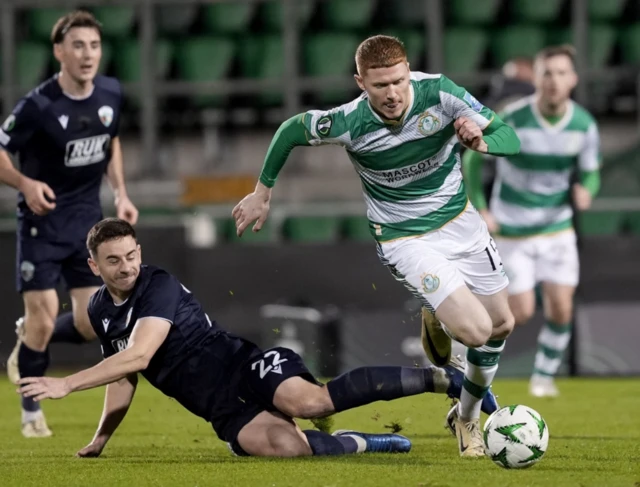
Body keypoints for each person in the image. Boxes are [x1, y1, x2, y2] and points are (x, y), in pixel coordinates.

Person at [231, 35, 520, 457]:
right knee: (474, 330)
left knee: (502, 325)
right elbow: (291, 129)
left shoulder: (441, 93)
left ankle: (465, 416)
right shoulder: (348, 121)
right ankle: (443, 325)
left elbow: (510, 137)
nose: (392, 94)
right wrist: (263, 192)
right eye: (380, 85)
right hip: (404, 237)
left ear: (409, 73)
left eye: (399, 81)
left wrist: (482, 141)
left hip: (462, 225)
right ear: (360, 82)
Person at [18, 218, 496, 458]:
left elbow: (140, 353)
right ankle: (367, 443)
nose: (127, 267)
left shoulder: (156, 285)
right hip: (220, 408)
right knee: (288, 450)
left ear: (139, 251)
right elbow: (124, 376)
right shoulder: (101, 308)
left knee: (310, 403)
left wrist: (65, 383)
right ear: (94, 267)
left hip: (243, 365)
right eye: (114, 261)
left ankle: (444, 380)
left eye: (131, 255)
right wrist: (101, 438)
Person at [0, 10, 138, 437]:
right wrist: (24, 183)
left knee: (87, 323)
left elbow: (110, 142)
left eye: (94, 45)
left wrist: (120, 192)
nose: (87, 54)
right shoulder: (38, 105)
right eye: (78, 45)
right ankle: (30, 413)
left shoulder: (111, 93)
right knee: (42, 321)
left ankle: (28, 338)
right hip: (41, 225)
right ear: (59, 51)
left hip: (86, 225)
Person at [462, 45, 601, 398]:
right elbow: (474, 159)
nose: (553, 81)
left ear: (573, 79)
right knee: (517, 314)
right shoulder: (513, 118)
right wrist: (480, 205)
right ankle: (464, 358)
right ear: (535, 78)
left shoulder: (584, 124)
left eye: (560, 73)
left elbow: (591, 172)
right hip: (512, 231)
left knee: (561, 307)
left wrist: (587, 189)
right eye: (547, 73)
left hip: (557, 230)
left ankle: (542, 377)